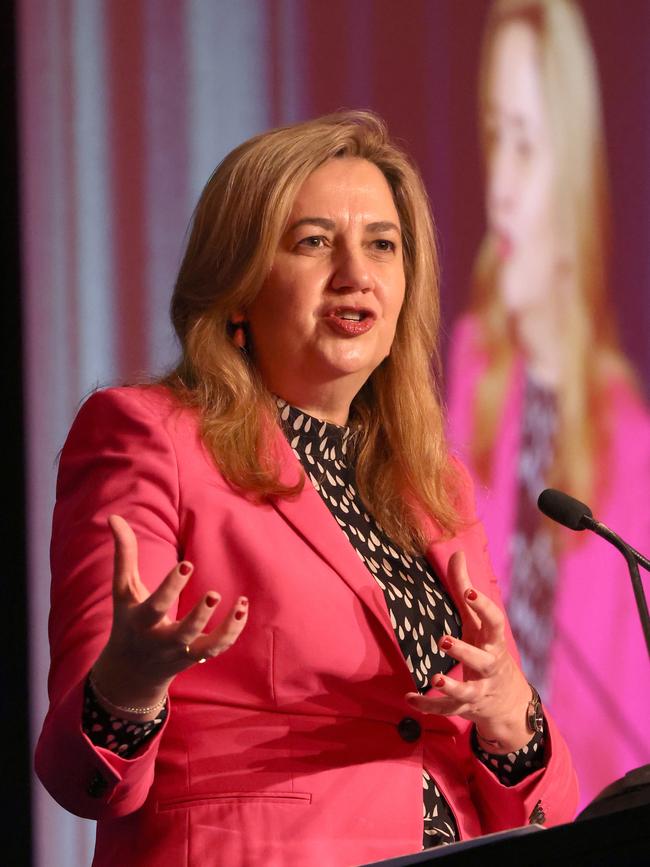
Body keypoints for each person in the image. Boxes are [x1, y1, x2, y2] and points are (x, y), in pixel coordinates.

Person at [36, 111, 577, 867]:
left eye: (382, 246)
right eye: (314, 241)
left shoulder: (433, 483)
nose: (356, 273)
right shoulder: (147, 433)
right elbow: (81, 776)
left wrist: (507, 712)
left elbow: (553, 806)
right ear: (237, 288)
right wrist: (126, 680)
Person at [446, 0, 650, 811]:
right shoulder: (469, 369)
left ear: (576, 170)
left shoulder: (632, 448)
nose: (500, 189)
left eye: (526, 147)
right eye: (494, 138)